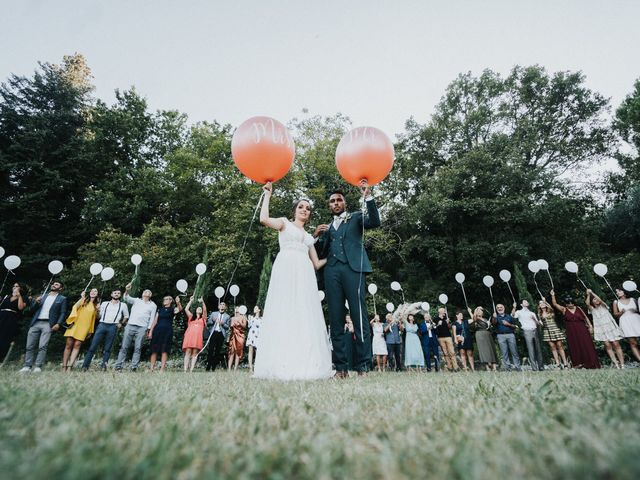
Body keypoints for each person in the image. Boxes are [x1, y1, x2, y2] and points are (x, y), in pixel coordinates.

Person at [253, 182, 333, 380]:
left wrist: (335, 257)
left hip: (305, 275)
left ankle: (306, 361)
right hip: (286, 269)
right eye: (301, 207)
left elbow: (316, 263)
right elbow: (263, 219)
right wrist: (267, 195)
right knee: (284, 309)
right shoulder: (284, 224)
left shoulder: (308, 237)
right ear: (294, 210)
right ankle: (278, 362)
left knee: (303, 311)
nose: (305, 210)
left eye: (308, 208)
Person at [314, 181, 381, 377]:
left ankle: (363, 366)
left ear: (344, 203)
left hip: (353, 270)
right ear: (329, 205)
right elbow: (316, 252)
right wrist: (316, 236)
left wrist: (368, 197)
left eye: (339, 200)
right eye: (332, 201)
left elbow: (375, 221)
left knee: (359, 316)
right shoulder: (325, 229)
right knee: (335, 319)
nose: (335, 203)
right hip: (331, 272)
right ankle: (341, 368)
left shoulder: (356, 218)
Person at [20, 281, 67, 372]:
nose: (54, 285)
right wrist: (36, 303)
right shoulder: (43, 296)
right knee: (29, 345)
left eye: (57, 284)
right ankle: (27, 366)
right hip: (36, 322)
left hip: (48, 324)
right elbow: (31, 310)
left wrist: (58, 324)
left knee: (43, 345)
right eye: (53, 284)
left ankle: (38, 366)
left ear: (60, 288)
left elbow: (63, 312)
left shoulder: (62, 299)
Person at [81, 289, 130, 371]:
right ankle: (85, 367)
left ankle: (103, 367)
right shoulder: (104, 303)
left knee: (107, 348)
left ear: (120, 295)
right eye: (115, 293)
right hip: (102, 325)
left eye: (118, 293)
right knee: (93, 346)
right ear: (111, 294)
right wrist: (98, 310)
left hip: (113, 326)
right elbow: (98, 316)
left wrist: (121, 323)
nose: (116, 294)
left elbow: (126, 316)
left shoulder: (123, 305)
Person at [550, 290, 600, 369]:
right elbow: (555, 304)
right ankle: (579, 364)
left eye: (571, 303)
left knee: (586, 344)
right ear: (566, 304)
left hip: (582, 329)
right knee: (575, 345)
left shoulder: (579, 308)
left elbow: (586, 317)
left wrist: (590, 326)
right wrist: (553, 295)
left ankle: (591, 363)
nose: (570, 304)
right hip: (571, 331)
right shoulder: (564, 309)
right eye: (568, 303)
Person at [115, 284, 157, 371]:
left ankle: (134, 367)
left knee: (138, 348)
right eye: (145, 291)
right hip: (130, 325)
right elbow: (126, 298)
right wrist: (127, 290)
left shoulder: (153, 305)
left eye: (149, 292)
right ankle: (119, 366)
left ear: (150, 295)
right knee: (124, 346)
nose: (147, 292)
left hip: (142, 327)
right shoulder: (137, 300)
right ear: (142, 294)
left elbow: (152, 318)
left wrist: (149, 329)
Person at [62, 288, 100, 371]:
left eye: (95, 291)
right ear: (89, 293)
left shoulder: (96, 305)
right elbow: (75, 307)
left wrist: (98, 310)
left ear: (97, 294)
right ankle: (64, 366)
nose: (93, 292)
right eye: (92, 291)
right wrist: (82, 298)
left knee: (77, 345)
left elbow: (96, 318)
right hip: (75, 324)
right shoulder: (83, 300)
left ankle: (69, 367)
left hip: (85, 327)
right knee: (68, 345)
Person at [586, 289, 624, 368]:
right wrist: (588, 294)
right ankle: (616, 364)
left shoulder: (604, 306)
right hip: (601, 329)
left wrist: (592, 292)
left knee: (616, 344)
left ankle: (622, 364)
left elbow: (600, 300)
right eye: (594, 299)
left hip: (610, 327)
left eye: (596, 299)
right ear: (592, 302)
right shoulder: (592, 310)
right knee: (607, 345)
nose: (596, 300)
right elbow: (587, 303)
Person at [149, 295, 182, 372]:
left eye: (167, 299)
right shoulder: (160, 310)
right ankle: (151, 369)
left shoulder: (172, 309)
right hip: (157, 331)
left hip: (167, 331)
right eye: (164, 299)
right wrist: (151, 331)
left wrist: (178, 302)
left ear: (171, 301)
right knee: (154, 350)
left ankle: (162, 369)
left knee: (164, 350)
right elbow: (155, 321)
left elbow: (179, 309)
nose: (165, 300)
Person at [513, 300, 544, 371]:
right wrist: (514, 307)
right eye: (525, 301)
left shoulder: (532, 313)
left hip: (535, 330)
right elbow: (513, 316)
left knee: (538, 349)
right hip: (527, 331)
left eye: (527, 301)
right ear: (521, 304)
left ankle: (541, 367)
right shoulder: (519, 312)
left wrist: (535, 320)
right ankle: (534, 368)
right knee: (531, 349)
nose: (526, 302)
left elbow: (538, 324)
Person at [537, 299, 569, 369]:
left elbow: (550, 307)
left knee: (560, 346)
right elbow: (542, 324)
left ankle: (565, 364)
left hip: (555, 329)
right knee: (553, 348)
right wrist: (539, 323)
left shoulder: (550, 310)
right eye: (540, 303)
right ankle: (558, 364)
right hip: (547, 331)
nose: (542, 304)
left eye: (543, 303)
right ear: (539, 306)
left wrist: (545, 301)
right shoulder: (539, 314)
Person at [612, 288, 640, 363]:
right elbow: (615, 314)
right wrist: (621, 312)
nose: (617, 293)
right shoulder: (616, 302)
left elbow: (639, 309)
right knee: (633, 342)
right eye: (616, 292)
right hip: (625, 322)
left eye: (619, 291)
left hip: (636, 320)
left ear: (624, 291)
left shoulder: (633, 299)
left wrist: (635, 311)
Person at [0, 283, 27, 360]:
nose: (15, 288)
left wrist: (19, 296)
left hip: (11, 318)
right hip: (1, 315)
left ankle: (1, 358)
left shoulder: (24, 297)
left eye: (17, 286)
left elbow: (20, 307)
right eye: (14, 286)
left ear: (21, 288)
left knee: (5, 338)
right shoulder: (6, 296)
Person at [492, 303, 521, 371]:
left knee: (514, 351)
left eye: (501, 307)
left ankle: (517, 367)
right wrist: (494, 317)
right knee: (504, 352)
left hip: (510, 335)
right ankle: (507, 367)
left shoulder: (509, 316)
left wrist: (508, 324)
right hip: (500, 336)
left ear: (504, 308)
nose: (499, 308)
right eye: (498, 308)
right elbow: (493, 323)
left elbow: (515, 326)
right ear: (496, 309)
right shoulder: (495, 317)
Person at [469, 306, 497, 371]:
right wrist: (475, 310)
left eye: (480, 311)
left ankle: (494, 367)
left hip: (488, 334)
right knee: (483, 350)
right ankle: (487, 367)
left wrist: (494, 317)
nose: (479, 312)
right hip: (480, 334)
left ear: (482, 313)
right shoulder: (476, 319)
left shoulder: (486, 319)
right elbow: (474, 318)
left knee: (491, 349)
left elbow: (492, 324)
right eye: (478, 311)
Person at [182, 297, 206, 372]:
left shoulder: (203, 319)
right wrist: (190, 301)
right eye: (198, 308)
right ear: (195, 310)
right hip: (189, 336)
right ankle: (185, 369)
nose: (199, 309)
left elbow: (205, 310)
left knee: (195, 353)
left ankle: (191, 370)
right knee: (188, 352)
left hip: (197, 337)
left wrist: (202, 302)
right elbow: (186, 309)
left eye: (200, 309)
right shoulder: (191, 317)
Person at [205, 302, 230, 371]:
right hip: (213, 333)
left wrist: (222, 323)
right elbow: (208, 323)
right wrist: (213, 321)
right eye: (221, 304)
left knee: (218, 351)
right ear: (218, 306)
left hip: (221, 334)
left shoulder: (227, 316)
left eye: (223, 305)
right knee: (211, 350)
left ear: (225, 307)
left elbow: (227, 327)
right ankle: (208, 366)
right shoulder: (213, 314)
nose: (222, 306)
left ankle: (213, 367)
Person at [227, 307, 247, 371]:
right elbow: (230, 328)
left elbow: (244, 326)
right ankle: (229, 368)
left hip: (240, 335)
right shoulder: (232, 318)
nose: (236, 309)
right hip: (233, 335)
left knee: (238, 352)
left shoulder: (243, 317)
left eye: (238, 308)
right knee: (231, 352)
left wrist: (240, 322)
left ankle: (235, 368)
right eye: (235, 308)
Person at [246, 306, 263, 371]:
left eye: (255, 308)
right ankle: (250, 368)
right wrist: (248, 319)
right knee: (250, 351)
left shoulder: (262, 318)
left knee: (258, 351)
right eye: (254, 308)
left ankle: (257, 367)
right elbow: (249, 325)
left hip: (259, 335)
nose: (254, 309)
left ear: (259, 310)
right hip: (252, 335)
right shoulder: (251, 317)